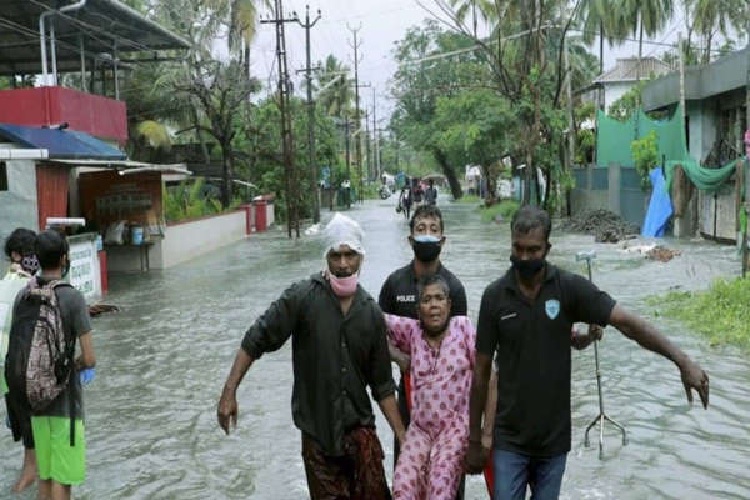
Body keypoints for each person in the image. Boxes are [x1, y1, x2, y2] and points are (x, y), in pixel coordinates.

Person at [465, 205, 710, 500]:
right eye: (518, 249)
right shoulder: (495, 297)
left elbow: (627, 323)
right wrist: (476, 439)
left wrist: (682, 360)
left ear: (547, 248)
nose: (525, 257)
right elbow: (480, 373)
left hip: (553, 441)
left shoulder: (569, 289)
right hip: (509, 440)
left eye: (533, 250)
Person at [217, 213, 406, 500]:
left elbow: (382, 386)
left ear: (361, 258)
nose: (343, 264)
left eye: (350, 255)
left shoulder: (370, 313)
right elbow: (257, 338)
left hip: (360, 434)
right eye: (336, 255)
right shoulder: (302, 299)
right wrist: (229, 392)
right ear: (326, 258)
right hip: (318, 439)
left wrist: (404, 437)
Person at [379, 204, 469, 499]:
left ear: (443, 239)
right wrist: (400, 357)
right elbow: (375, 331)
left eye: (433, 230)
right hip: (411, 407)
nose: (427, 235)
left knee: (446, 487)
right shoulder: (394, 285)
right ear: (410, 238)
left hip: (452, 416)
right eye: (421, 229)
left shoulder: (454, 287)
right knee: (405, 483)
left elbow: (465, 353)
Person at [383, 275, 497, 499]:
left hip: (454, 426)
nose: (433, 305)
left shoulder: (462, 328)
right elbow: (372, 318)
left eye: (438, 298)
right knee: (401, 488)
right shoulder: (412, 331)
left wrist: (486, 434)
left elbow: (490, 377)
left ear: (449, 305)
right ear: (418, 309)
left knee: (439, 488)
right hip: (420, 429)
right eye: (426, 300)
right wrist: (397, 356)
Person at [13, 230, 96, 500]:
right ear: (64, 258)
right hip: (65, 404)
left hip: (34, 401)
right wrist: (75, 366)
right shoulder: (72, 297)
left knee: (45, 477)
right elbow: (90, 358)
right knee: (63, 479)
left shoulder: (23, 296)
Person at [1, 228, 39, 492]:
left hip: (7, 368)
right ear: (17, 255)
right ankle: (28, 477)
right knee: (31, 429)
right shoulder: (25, 285)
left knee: (25, 426)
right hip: (19, 365)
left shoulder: (7, 282)